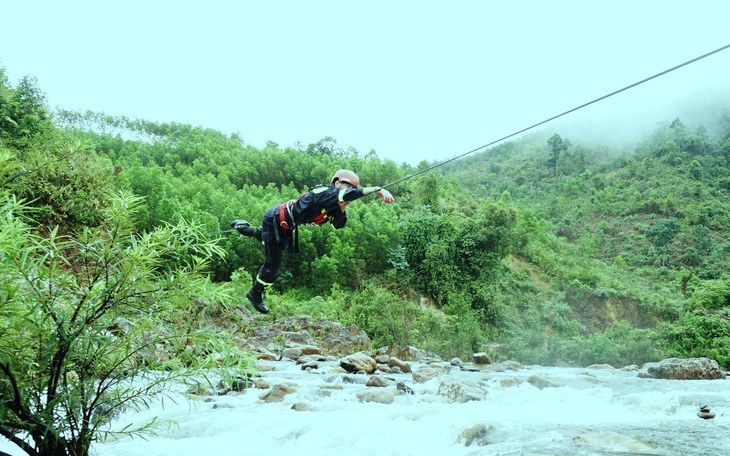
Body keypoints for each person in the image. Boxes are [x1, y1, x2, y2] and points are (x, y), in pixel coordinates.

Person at [231, 169, 394, 314]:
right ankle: (255, 293)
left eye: (353, 189)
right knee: (272, 266)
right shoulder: (324, 192)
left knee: (274, 241)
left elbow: (339, 225)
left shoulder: (335, 204)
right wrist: (376, 189)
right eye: (349, 187)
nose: (351, 192)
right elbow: (346, 195)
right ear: (337, 183)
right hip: (274, 218)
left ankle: (244, 228)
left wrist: (343, 208)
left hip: (285, 226)